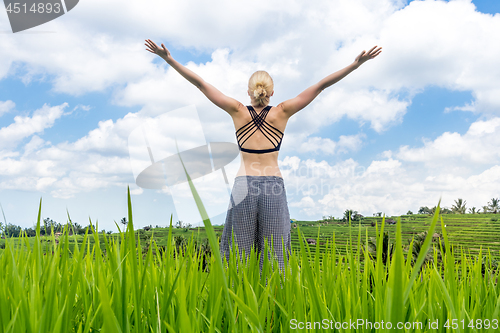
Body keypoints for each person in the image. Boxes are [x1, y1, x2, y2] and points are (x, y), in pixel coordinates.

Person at [145, 39, 382, 271]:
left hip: (243, 186)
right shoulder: (283, 111)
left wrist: (169, 60)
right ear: (272, 92)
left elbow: (200, 84)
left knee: (238, 256)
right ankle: (272, 306)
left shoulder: (237, 110)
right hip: (273, 185)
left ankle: (238, 306)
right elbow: (320, 86)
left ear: (249, 91)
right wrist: (355, 65)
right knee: (275, 255)